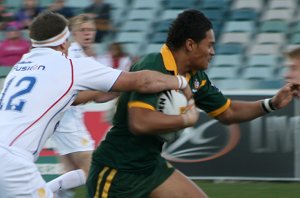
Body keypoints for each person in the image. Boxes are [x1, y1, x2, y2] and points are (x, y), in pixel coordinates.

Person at [86, 9, 300, 198]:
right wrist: (185, 119)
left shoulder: (195, 77)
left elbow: (228, 112)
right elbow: (140, 123)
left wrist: (271, 103)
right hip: (117, 171)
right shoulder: (154, 65)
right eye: (210, 45)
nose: (213, 52)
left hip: (150, 166)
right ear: (190, 44)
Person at [0, 11, 196, 197]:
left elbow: (73, 97)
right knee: (89, 168)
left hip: (8, 156)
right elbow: (142, 81)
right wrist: (180, 82)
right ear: (63, 41)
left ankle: (48, 190)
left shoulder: (20, 66)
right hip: (12, 162)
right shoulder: (70, 66)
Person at [47, 14, 110, 197]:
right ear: (73, 33)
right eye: (83, 30)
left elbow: (97, 95)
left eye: (91, 30)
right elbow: (80, 95)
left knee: (70, 173)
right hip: (68, 121)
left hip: (61, 119)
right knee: (92, 170)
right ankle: (36, 193)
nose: (88, 33)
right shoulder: (75, 56)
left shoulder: (79, 54)